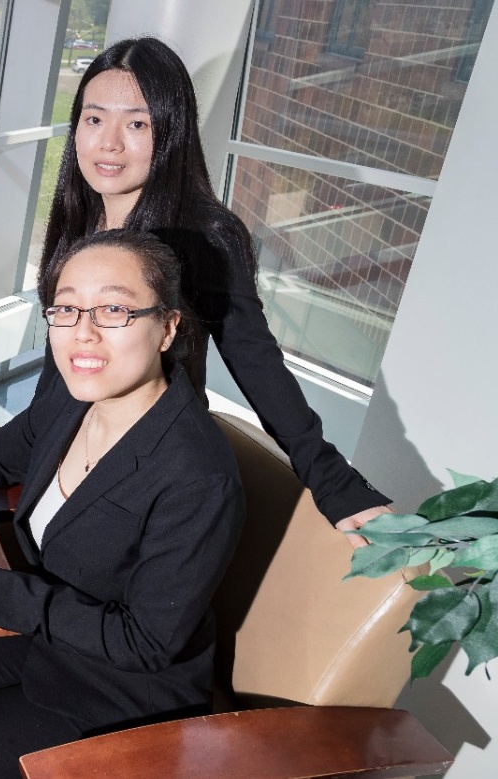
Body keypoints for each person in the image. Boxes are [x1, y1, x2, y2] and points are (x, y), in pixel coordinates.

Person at [0, 230, 246, 779]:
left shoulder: (197, 476)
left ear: (168, 327)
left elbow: (146, 642)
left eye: (114, 309)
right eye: (66, 309)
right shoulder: (72, 396)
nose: (83, 332)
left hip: (125, 687)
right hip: (52, 636)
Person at [37, 37, 390, 543]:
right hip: (67, 444)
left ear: (172, 131)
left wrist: (332, 479)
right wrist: (30, 444)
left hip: (143, 470)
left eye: (137, 124)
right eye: (94, 119)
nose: (108, 143)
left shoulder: (205, 234)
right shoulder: (77, 217)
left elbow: (256, 359)